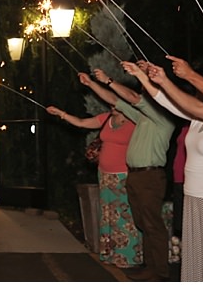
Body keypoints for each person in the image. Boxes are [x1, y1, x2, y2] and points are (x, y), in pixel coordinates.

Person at [78, 66, 175, 281]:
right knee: (143, 223)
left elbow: (132, 97)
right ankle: (150, 267)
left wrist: (109, 79)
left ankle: (159, 272)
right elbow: (117, 101)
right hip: (138, 176)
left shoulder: (162, 118)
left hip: (150, 177)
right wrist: (93, 84)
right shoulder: (143, 118)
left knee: (152, 224)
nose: (144, 94)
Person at [129, 57, 203, 282]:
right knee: (195, 257)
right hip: (192, 197)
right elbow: (169, 102)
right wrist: (148, 78)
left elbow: (201, 103)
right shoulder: (197, 118)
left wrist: (188, 75)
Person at [46, 99, 143, 270]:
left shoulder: (133, 121)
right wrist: (61, 114)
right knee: (107, 214)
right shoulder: (106, 118)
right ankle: (109, 252)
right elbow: (82, 123)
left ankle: (128, 256)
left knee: (124, 216)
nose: (112, 106)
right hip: (104, 174)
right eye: (112, 104)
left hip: (123, 175)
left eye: (116, 104)